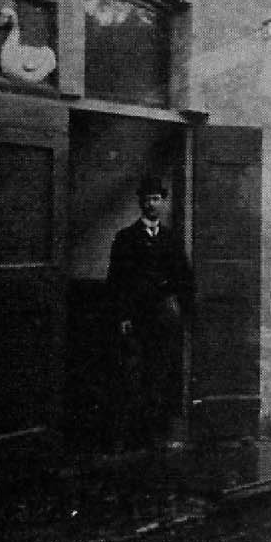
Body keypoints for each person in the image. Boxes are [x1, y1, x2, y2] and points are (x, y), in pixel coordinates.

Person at [107, 175, 194, 444]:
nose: (152, 205)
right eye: (147, 200)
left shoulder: (170, 239)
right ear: (140, 204)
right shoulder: (125, 238)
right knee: (133, 373)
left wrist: (183, 310)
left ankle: (157, 432)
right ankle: (132, 434)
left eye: (156, 199)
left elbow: (184, 277)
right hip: (137, 315)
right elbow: (117, 280)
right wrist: (122, 316)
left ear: (163, 203)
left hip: (164, 315)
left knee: (161, 371)